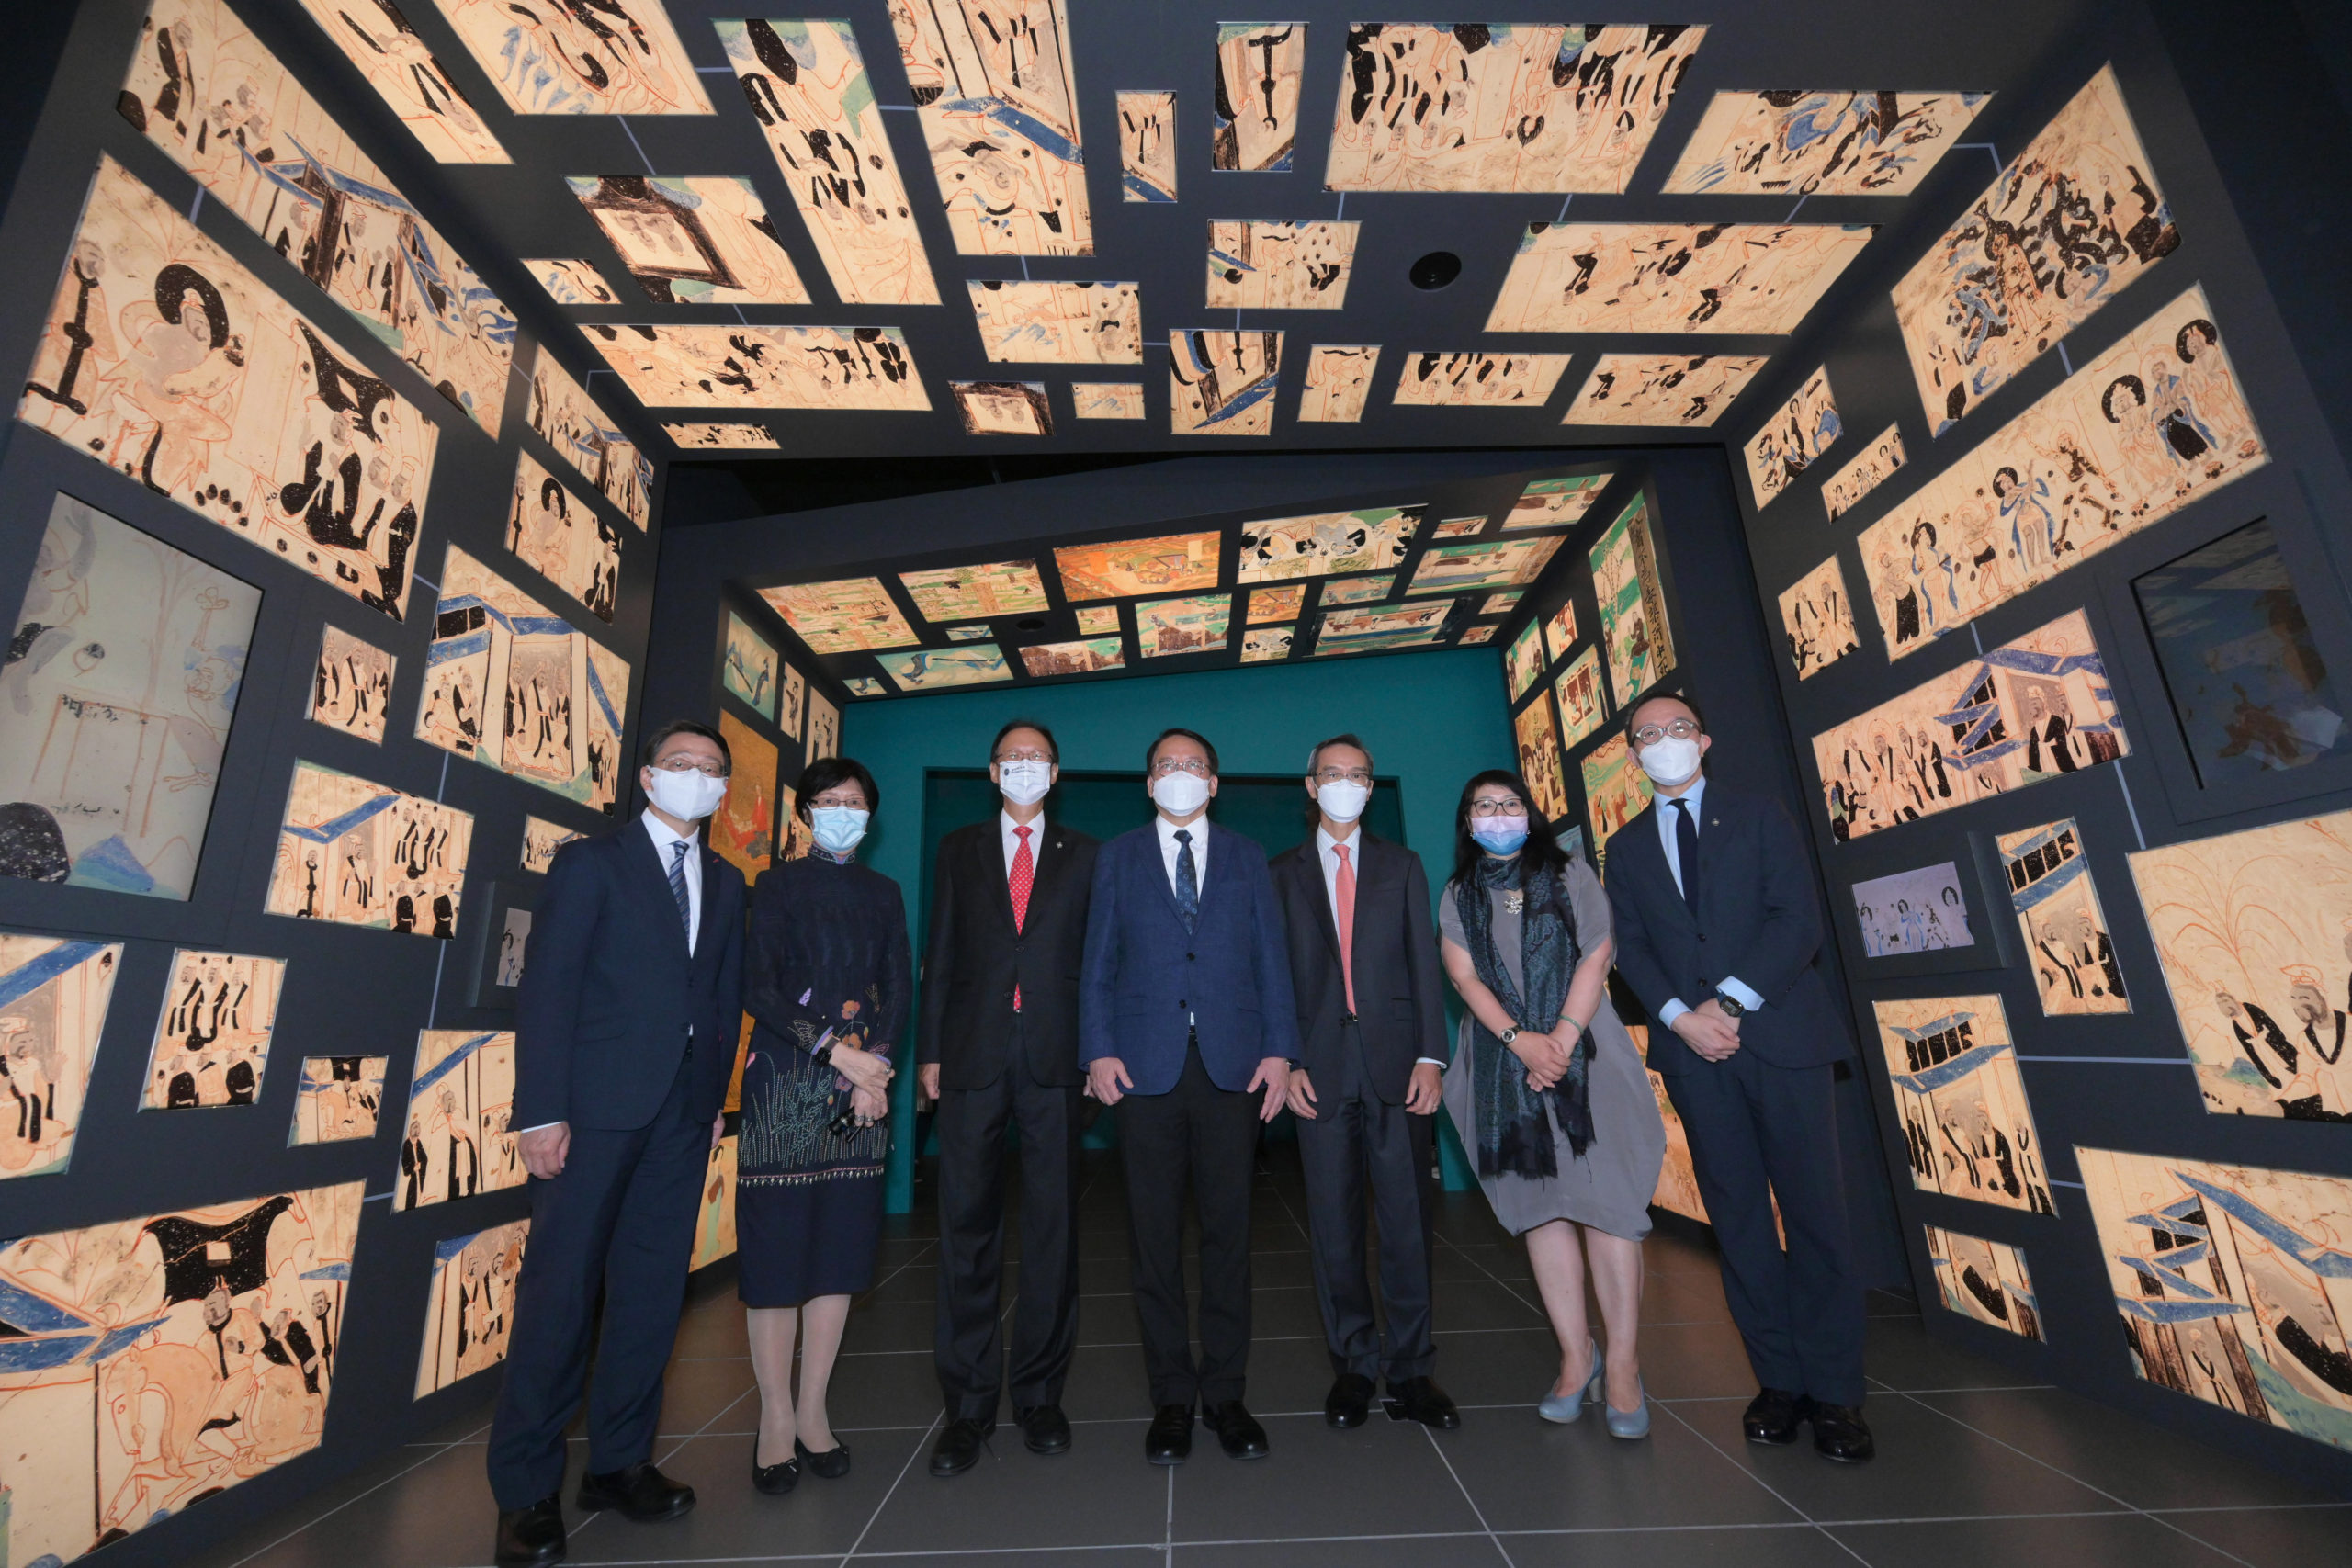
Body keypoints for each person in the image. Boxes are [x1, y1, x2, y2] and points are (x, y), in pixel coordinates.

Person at [489, 720, 747, 1567]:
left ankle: (620, 1462)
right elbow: (549, 989)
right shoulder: (590, 864)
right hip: (591, 1113)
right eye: (681, 764)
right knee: (561, 1294)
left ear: (722, 789)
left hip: (682, 1117)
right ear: (647, 777)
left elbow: (720, 999)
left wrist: (713, 1100)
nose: (696, 776)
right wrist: (540, 1110)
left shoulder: (726, 880)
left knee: (649, 1294)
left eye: (711, 769)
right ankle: (526, 1489)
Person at [1601, 692, 1874, 1463]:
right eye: (1647, 734)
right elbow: (1632, 947)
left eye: (1677, 728)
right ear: (1634, 754)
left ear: (1704, 739)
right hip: (1695, 1054)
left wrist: (1726, 1002)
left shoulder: (1759, 817)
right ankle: (1779, 1381)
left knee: (1817, 1216)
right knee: (1739, 1218)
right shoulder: (1625, 847)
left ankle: (1836, 1392)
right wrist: (1680, 1018)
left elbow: (1797, 919)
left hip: (1782, 1039)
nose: (1663, 741)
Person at [1080, 728, 1298, 1465]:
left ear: (1214, 782)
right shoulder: (1117, 857)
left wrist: (1280, 1049)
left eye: (1193, 764)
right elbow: (1098, 962)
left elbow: (1271, 958)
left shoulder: (1246, 855)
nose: (1180, 773)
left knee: (1229, 1235)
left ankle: (1227, 1394)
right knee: (1153, 1239)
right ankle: (1172, 1396)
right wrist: (1097, 1048)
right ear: (1149, 783)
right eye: (1166, 764)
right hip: (1143, 1069)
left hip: (1234, 1068)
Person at [1438, 770, 1663, 1439]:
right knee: (1543, 1210)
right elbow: (1463, 976)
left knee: (1610, 1208)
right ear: (1468, 820)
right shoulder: (1458, 893)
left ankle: (1623, 1365)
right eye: (1484, 805)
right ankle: (1575, 1356)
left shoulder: (1570, 873)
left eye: (1510, 803)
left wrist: (1559, 1039)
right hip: (1503, 1064)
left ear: (1529, 813)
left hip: (1587, 1053)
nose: (1498, 813)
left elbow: (1598, 952)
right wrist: (1520, 1041)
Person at [920, 721, 1100, 1476]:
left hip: (1058, 1056)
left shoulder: (1086, 853)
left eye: (1038, 757)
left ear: (1055, 773)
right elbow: (941, 951)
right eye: (1012, 757)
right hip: (972, 1054)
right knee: (966, 1228)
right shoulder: (958, 849)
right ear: (993, 772)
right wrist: (930, 1051)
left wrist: (1098, 1050)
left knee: (1054, 1227)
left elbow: (1099, 960)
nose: (1025, 766)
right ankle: (967, 1406)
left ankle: (1039, 1395)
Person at [1269, 735, 1457, 1430]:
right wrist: (1286, 1059)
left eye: (1358, 774)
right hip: (1316, 1068)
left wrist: (1431, 1056)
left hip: (1397, 1062)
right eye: (1332, 773)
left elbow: (1422, 964)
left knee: (1407, 1221)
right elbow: (1271, 975)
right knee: (1333, 1224)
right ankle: (1353, 1363)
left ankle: (1411, 1369)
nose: (1345, 783)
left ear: (1370, 788)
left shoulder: (1401, 865)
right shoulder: (1279, 873)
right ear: (1311, 785)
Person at [735, 756, 910, 1495]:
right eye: (829, 800)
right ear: (805, 811)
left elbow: (898, 987)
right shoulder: (775, 886)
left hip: (859, 1097)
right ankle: (774, 1416)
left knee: (839, 1251)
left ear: (871, 814)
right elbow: (759, 987)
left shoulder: (884, 892)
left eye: (855, 800)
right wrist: (839, 1052)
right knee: (778, 1255)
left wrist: (877, 1067)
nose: (843, 810)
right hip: (785, 1084)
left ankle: (813, 1410)